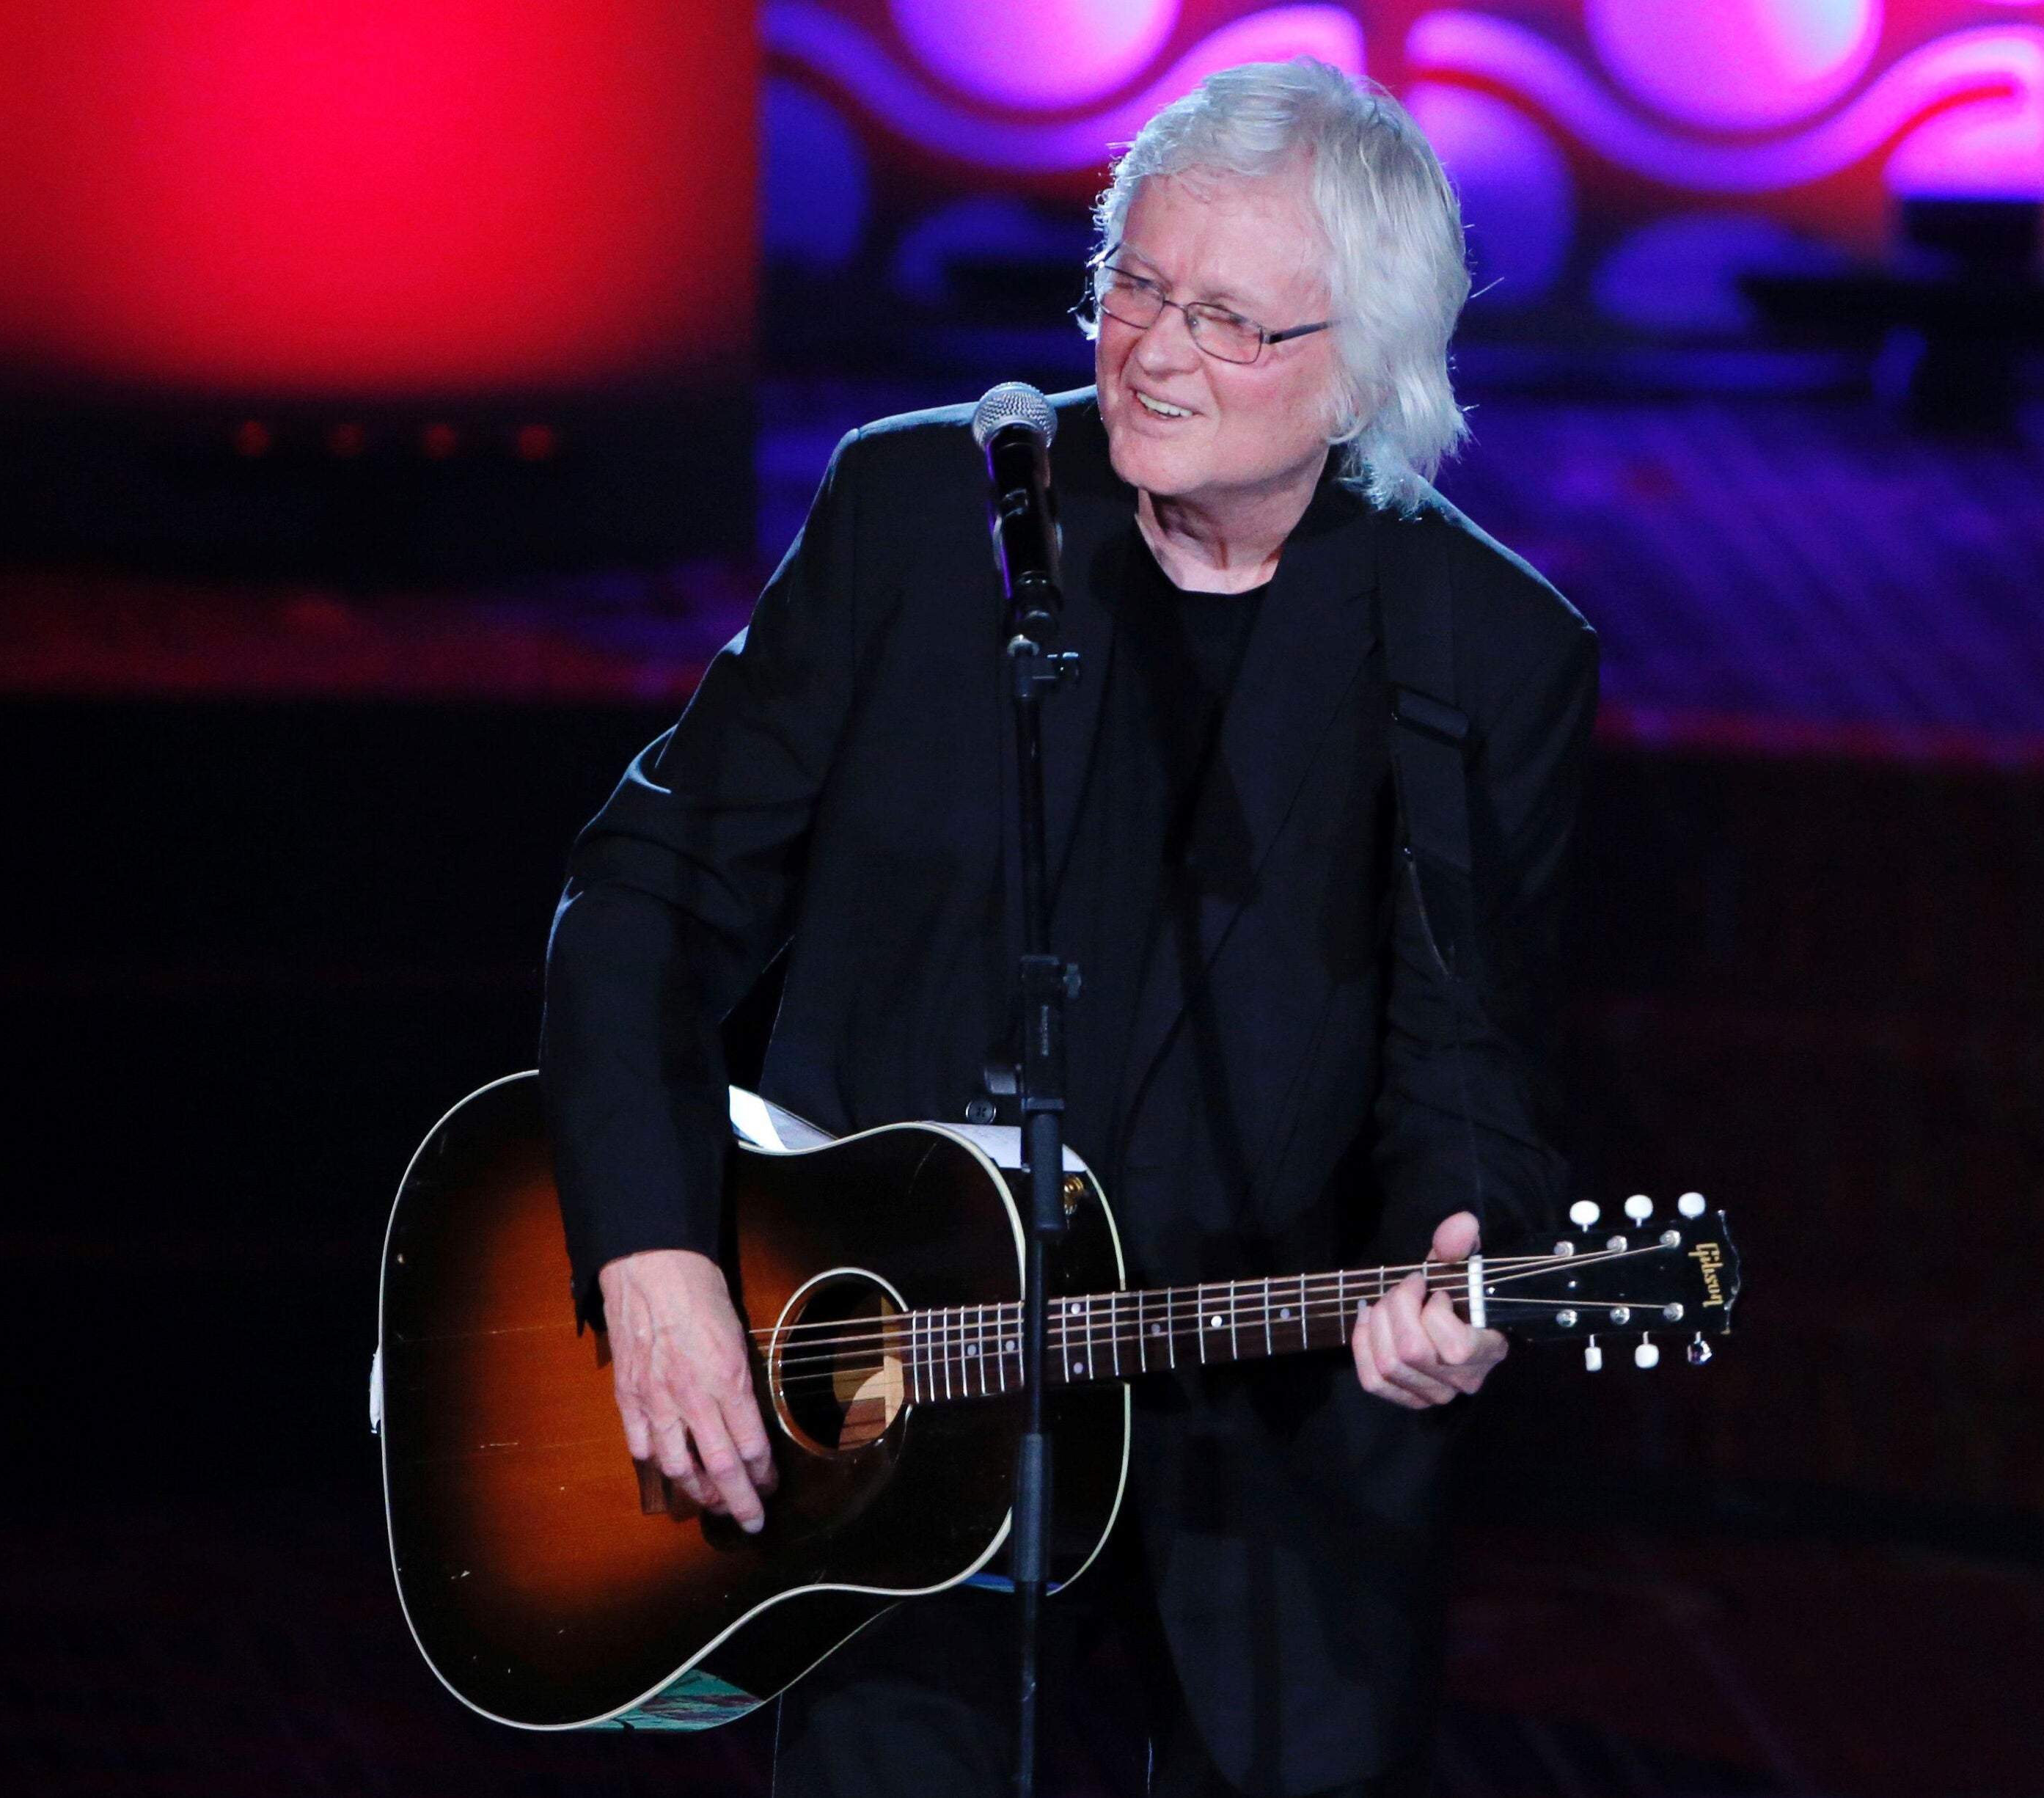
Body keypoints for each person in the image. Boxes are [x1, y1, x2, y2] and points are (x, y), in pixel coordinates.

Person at [541, 56, 1597, 1798]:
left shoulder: (1484, 656)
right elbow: (646, 888)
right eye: (1137, 284)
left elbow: (1465, 1058)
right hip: (891, 1391)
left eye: (1235, 323)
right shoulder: (924, 520)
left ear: (1365, 381)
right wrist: (649, 1249)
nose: (1156, 351)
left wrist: (1457, 1250)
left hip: (1254, 1423)